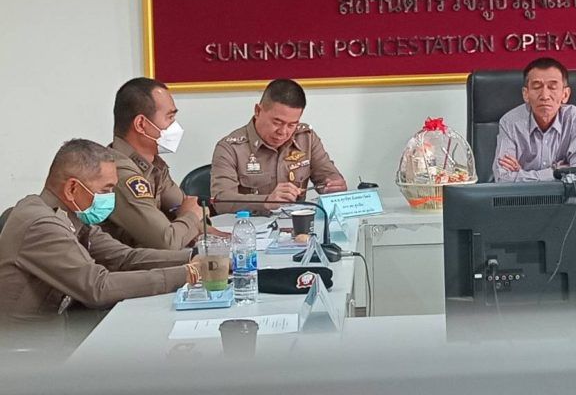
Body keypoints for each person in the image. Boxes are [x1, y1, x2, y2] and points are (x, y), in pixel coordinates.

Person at [0, 139, 198, 324]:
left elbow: (124, 258)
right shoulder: (41, 225)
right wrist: (189, 273)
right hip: (26, 344)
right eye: (105, 190)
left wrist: (195, 257)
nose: (111, 198)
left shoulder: (74, 216)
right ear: (72, 188)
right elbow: (98, 287)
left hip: (55, 332)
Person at [211, 78, 347, 213]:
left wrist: (334, 185)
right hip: (250, 224)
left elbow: (328, 175)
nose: (283, 132)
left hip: (296, 223)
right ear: (258, 111)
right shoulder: (230, 148)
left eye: (292, 125)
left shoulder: (306, 138)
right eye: (277, 122)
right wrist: (267, 201)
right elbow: (221, 201)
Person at [102, 77, 205, 249]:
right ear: (141, 124)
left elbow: (191, 208)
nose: (175, 126)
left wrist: (219, 236)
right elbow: (167, 241)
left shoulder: (153, 164)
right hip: (124, 264)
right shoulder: (120, 173)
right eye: (169, 117)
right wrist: (191, 216)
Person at [493, 57, 576, 182]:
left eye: (552, 87)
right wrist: (556, 172)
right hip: (523, 194)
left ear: (565, 94)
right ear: (526, 94)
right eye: (537, 87)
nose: (545, 96)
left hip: (564, 194)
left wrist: (521, 174)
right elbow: (502, 178)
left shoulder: (575, 120)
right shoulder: (510, 122)